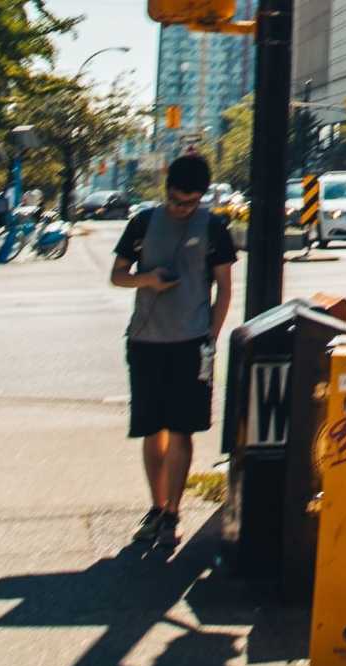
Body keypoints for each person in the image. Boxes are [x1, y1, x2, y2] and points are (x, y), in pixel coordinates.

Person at [109, 155, 237, 547]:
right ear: (166, 190)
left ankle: (173, 512)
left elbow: (225, 288)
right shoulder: (143, 222)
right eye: (178, 201)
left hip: (190, 343)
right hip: (146, 341)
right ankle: (156, 505)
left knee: (183, 429)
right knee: (152, 428)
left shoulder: (214, 227)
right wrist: (147, 279)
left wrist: (210, 339)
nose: (184, 209)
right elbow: (117, 275)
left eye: (192, 202)